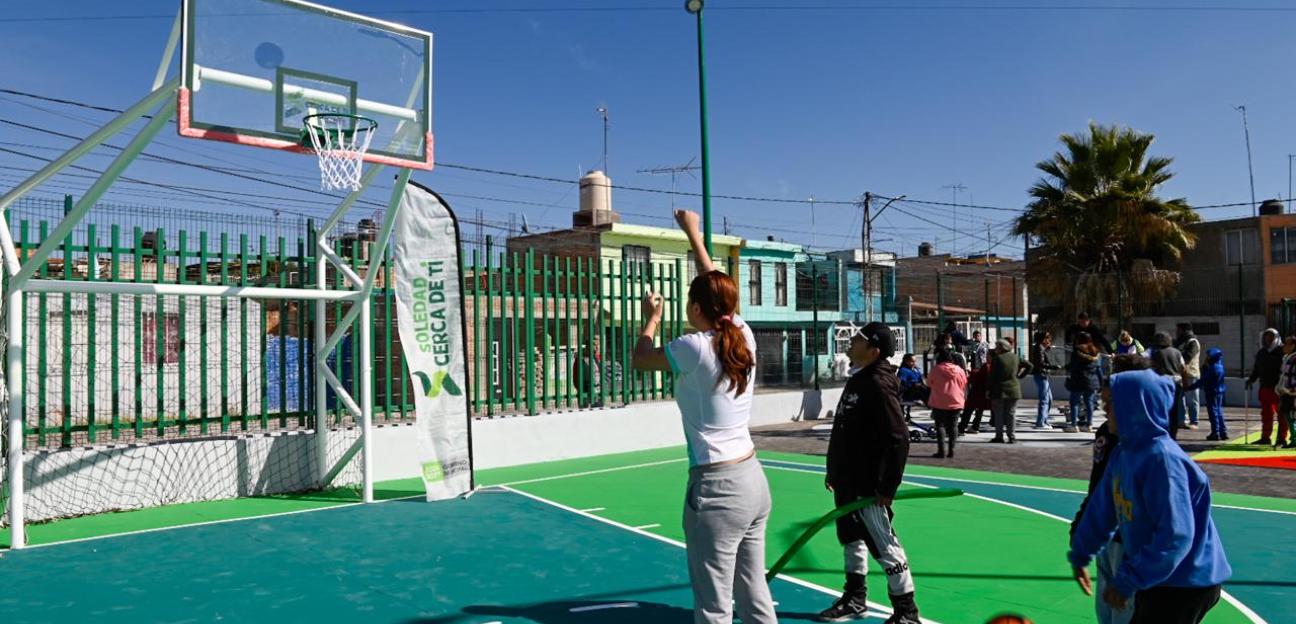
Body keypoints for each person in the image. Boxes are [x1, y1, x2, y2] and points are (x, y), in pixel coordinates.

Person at [631, 209, 775, 624]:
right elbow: (715, 285)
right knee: (753, 592)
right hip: (752, 480)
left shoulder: (692, 347)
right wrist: (693, 233)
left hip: (717, 487)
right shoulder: (741, 333)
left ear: (695, 307)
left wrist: (651, 320)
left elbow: (642, 359)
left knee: (713, 606)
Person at [1068, 365, 1232, 624]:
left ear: (1135, 407)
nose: (1105, 410)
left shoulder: (1163, 461)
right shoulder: (1123, 453)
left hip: (1186, 581)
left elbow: (1176, 536)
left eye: (1112, 403)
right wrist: (1081, 551)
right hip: (1161, 578)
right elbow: (1102, 509)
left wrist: (1128, 580)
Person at [821, 322, 922, 623]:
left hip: (868, 486)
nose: (851, 342)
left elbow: (898, 438)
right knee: (851, 537)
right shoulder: (859, 378)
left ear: (874, 351)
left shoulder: (878, 383)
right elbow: (844, 428)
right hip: (847, 481)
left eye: (858, 340)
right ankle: (855, 597)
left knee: (884, 544)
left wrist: (886, 487)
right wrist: (834, 471)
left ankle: (906, 612)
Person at [1070, 354, 1151, 624]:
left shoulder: (1148, 445)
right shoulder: (1109, 432)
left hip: (1129, 539)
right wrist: (1082, 529)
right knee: (1107, 612)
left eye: (1110, 400)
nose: (1105, 406)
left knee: (1123, 612)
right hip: (1109, 537)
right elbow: (1100, 486)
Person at [1247, 329, 1287, 447]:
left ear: (1276, 337)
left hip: (1279, 388)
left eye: (1271, 336)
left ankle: (1281, 438)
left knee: (1282, 415)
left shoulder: (1282, 351)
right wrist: (1251, 380)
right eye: (1266, 336)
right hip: (1264, 387)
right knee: (1266, 414)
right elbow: (1256, 369)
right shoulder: (1261, 352)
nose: (1268, 339)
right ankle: (1265, 438)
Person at [927, 346, 968, 458]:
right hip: (956, 401)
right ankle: (952, 450)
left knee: (940, 425)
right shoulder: (959, 370)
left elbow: (929, 383)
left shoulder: (936, 369)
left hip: (939, 401)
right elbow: (964, 384)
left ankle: (941, 451)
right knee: (954, 426)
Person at [988, 338, 1032, 443]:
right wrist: (1020, 376)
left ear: (1001, 348)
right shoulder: (1015, 357)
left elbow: (991, 377)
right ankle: (1011, 436)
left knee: (999, 414)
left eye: (997, 347)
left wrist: (988, 389)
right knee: (1011, 413)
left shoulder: (997, 359)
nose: (995, 349)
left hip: (999, 389)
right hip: (1014, 388)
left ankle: (999, 436)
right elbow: (1030, 365)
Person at [1148, 332, 1186, 440]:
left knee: (1162, 409)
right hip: (1176, 382)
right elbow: (1183, 368)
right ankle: (1173, 434)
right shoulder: (1177, 352)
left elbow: (1151, 367)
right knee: (1174, 410)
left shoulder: (1156, 353)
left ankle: (1164, 432)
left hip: (1162, 383)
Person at [1066, 333, 1102, 434]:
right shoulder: (1096, 352)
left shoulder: (1077, 351)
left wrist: (1067, 368)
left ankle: (1074, 425)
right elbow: (1099, 369)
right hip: (1092, 381)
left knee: (1074, 402)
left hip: (1078, 380)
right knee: (1089, 403)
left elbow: (1072, 366)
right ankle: (1089, 425)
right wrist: (1101, 382)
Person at [1192, 348, 1228, 442]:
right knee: (1219, 411)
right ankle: (1223, 432)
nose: (1206, 357)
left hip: (1212, 391)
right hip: (1219, 391)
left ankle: (1215, 433)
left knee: (1213, 412)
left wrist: (1191, 387)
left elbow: (1203, 380)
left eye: (1208, 356)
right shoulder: (1220, 366)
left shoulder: (1212, 368)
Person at [1030, 331, 1062, 429]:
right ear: (1043, 339)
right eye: (1048, 338)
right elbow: (1040, 363)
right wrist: (1054, 367)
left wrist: (1046, 350)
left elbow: (1043, 359)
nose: (1049, 341)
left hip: (1042, 375)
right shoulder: (1039, 348)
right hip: (1040, 375)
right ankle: (1040, 422)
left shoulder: (1041, 348)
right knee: (1044, 399)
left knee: (1049, 399)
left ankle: (1044, 420)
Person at [1176, 323, 1202, 431]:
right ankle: (1181, 421)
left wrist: (1178, 355)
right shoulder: (1181, 342)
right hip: (1180, 374)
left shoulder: (1193, 342)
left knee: (1192, 400)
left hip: (1191, 374)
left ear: (1184, 331)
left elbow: (1188, 357)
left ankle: (1194, 421)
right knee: (1179, 399)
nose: (1177, 332)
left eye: (1179, 330)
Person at [959, 361, 992, 435]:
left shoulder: (986, 366)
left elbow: (975, 378)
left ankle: (962, 427)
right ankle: (975, 426)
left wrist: (972, 373)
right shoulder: (994, 367)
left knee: (968, 410)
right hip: (986, 393)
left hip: (977, 392)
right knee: (979, 410)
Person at [573, 335, 604, 408]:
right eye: (594, 345)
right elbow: (576, 378)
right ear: (588, 346)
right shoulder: (580, 359)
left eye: (598, 345)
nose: (597, 347)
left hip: (598, 392)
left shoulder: (597, 358)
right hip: (585, 394)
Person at [1277, 336, 1296, 449]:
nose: (1283, 346)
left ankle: (1294, 440)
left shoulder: (1294, 359)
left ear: (1293, 346)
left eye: (1286, 344)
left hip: (1291, 393)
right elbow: (1283, 376)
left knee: (1291, 416)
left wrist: (1291, 391)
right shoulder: (1287, 358)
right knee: (1287, 416)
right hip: (1285, 391)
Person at [897, 353, 927, 419]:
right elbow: (901, 383)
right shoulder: (903, 371)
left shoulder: (915, 370)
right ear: (906, 361)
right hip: (908, 392)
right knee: (919, 388)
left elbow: (920, 378)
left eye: (915, 361)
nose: (914, 363)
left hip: (917, 390)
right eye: (912, 361)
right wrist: (912, 383)